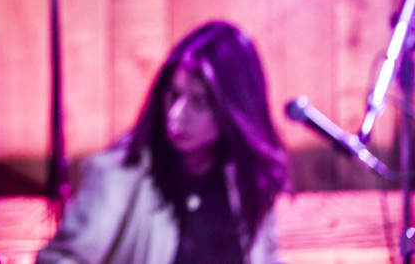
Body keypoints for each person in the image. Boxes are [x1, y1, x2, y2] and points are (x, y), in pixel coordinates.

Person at [36, 21, 288, 264]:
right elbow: (59, 260)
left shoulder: (248, 178)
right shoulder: (120, 176)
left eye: (199, 103)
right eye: (174, 95)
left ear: (235, 110)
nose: (176, 115)